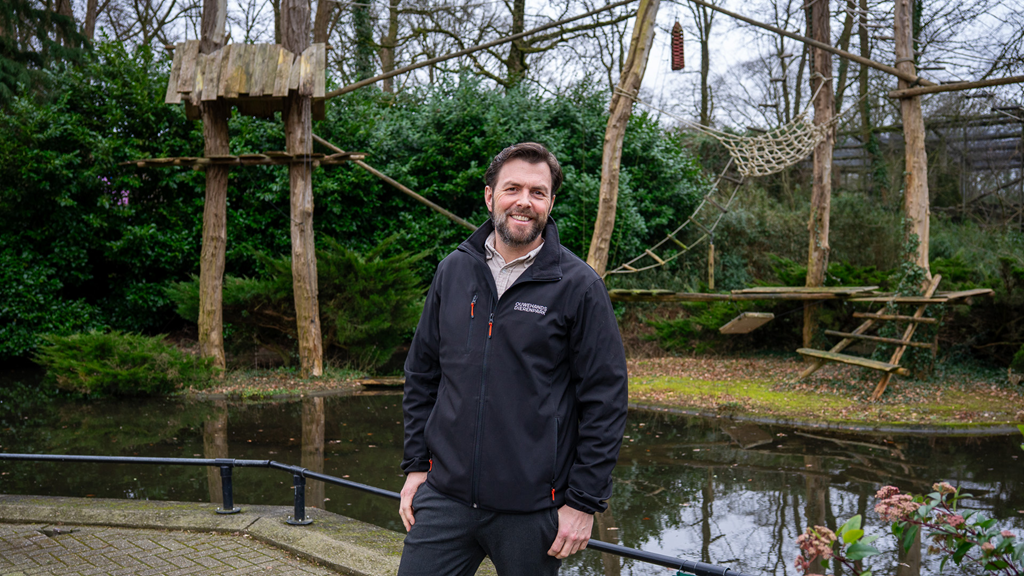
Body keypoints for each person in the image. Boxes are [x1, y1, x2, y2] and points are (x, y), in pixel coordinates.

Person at [398, 142, 628, 576]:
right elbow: (421, 375)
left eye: (538, 192)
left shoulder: (578, 285)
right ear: (490, 197)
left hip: (533, 510)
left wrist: (583, 502)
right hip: (445, 499)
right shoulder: (453, 270)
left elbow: (606, 401)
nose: (524, 202)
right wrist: (415, 467)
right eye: (513, 189)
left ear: (550, 203)